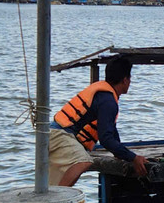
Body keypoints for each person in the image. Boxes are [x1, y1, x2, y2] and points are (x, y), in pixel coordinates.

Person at [48, 54, 148, 187]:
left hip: (54, 133)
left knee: (52, 185)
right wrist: (134, 158)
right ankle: (60, 199)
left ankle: (54, 201)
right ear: (125, 80)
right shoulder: (108, 102)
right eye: (130, 78)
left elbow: (111, 131)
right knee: (83, 162)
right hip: (61, 135)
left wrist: (121, 153)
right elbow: (105, 138)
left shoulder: (104, 96)